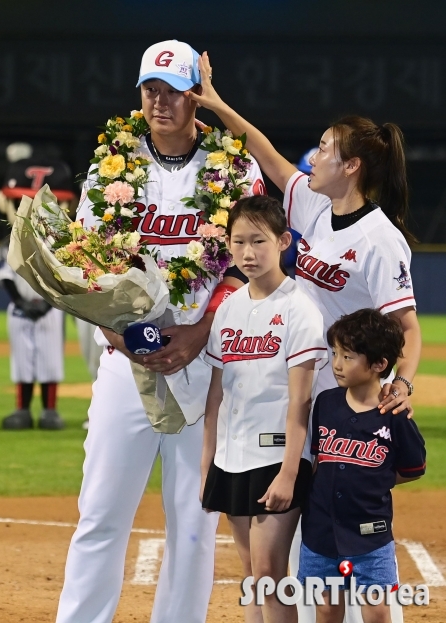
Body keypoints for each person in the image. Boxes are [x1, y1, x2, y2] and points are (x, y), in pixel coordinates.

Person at [185, 52, 422, 623]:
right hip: (287, 381)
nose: (312, 156)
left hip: (334, 400)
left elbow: (408, 329)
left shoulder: (380, 240)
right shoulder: (313, 203)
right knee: (279, 559)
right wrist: (216, 106)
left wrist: (402, 382)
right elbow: (262, 150)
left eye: (324, 149)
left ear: (354, 166)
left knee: (338, 550)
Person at [56, 40, 266, 623]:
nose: (161, 101)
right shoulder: (110, 166)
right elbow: (83, 262)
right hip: (126, 361)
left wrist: (201, 333)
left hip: (205, 365)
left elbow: (254, 265)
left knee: (194, 521)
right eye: (151, 89)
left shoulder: (236, 168)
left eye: (174, 91)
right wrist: (116, 331)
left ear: (196, 94)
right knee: (100, 512)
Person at [201, 195, 327, 623]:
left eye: (259, 240)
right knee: (254, 576)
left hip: (275, 456)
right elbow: (216, 395)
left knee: (271, 575)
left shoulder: (300, 309)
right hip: (231, 456)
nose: (248, 253)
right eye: (239, 242)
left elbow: (301, 400)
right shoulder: (229, 310)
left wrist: (291, 471)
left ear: (283, 241)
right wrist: (207, 465)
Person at [298, 308, 426, 623]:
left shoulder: (394, 415)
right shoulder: (325, 404)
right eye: (336, 354)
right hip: (321, 531)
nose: (337, 364)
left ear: (379, 364)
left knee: (377, 611)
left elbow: (413, 468)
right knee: (326, 609)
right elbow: (320, 460)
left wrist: (373, 478)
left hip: (371, 532)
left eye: (348, 356)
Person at [0, 144, 75, 430]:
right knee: (23, 363)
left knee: (51, 361)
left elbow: (65, 276)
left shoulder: (61, 244)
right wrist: (21, 302)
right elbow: (5, 276)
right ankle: (22, 410)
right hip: (21, 310)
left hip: (50, 308)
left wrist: (48, 301)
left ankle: (50, 411)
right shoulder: (11, 241)